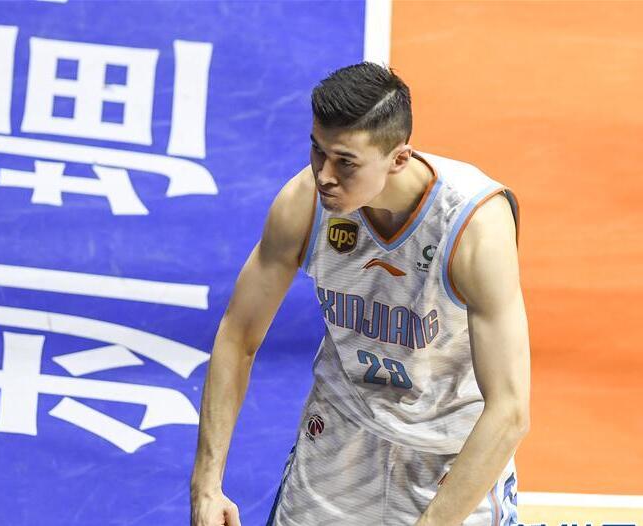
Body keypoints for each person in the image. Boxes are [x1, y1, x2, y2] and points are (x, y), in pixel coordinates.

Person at [190, 62, 530, 526]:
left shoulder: (474, 228)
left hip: (448, 456)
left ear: (399, 159)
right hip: (336, 445)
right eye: (318, 150)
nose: (324, 175)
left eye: (345, 162)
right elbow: (237, 335)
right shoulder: (304, 203)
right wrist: (207, 486)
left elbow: (510, 410)